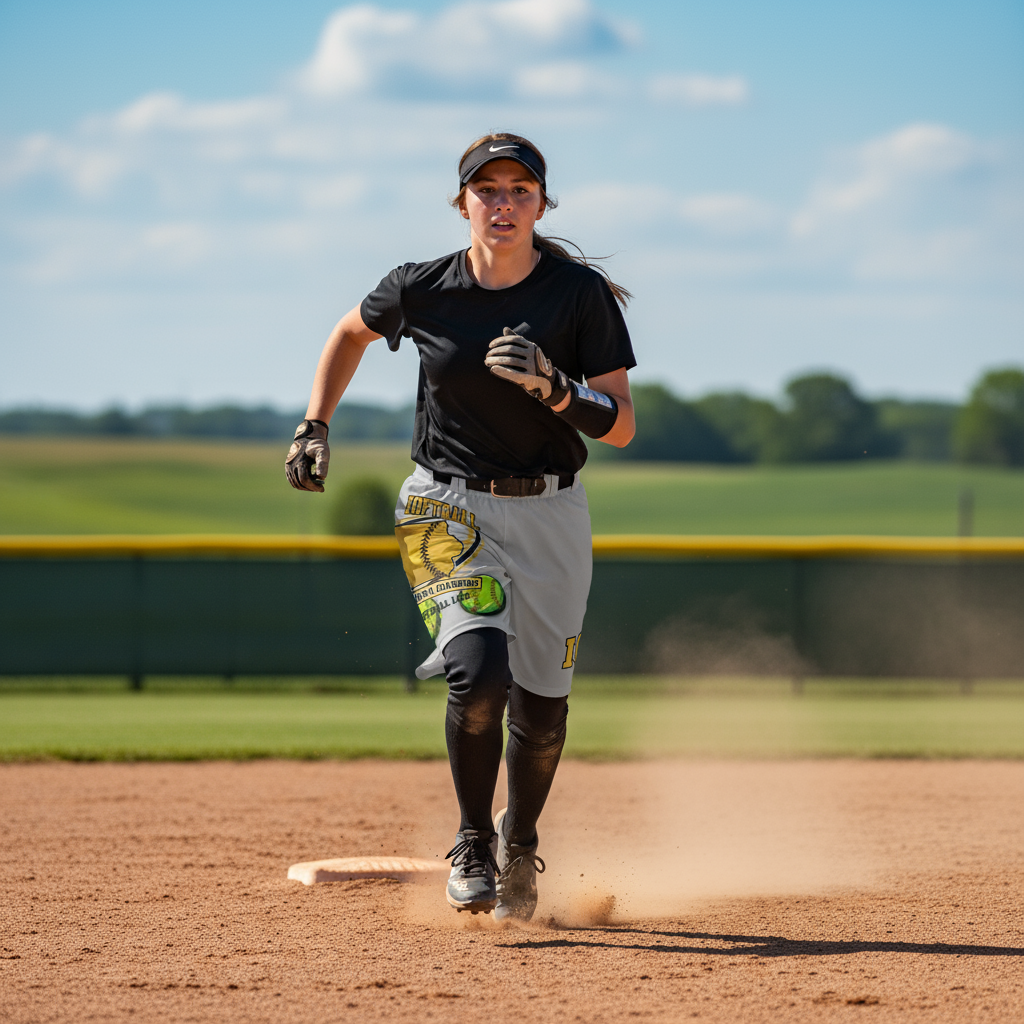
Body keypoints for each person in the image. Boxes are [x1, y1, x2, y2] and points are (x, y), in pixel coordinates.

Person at [285, 132, 636, 921]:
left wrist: (557, 390)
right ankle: (473, 841)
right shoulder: (422, 287)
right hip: (446, 505)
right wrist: (315, 423)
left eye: (519, 190)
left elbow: (621, 424)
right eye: (487, 189)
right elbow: (349, 332)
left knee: (542, 710)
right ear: (463, 202)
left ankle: (520, 841)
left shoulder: (577, 295)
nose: (502, 203)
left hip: (551, 510)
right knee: (478, 675)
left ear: (541, 204)